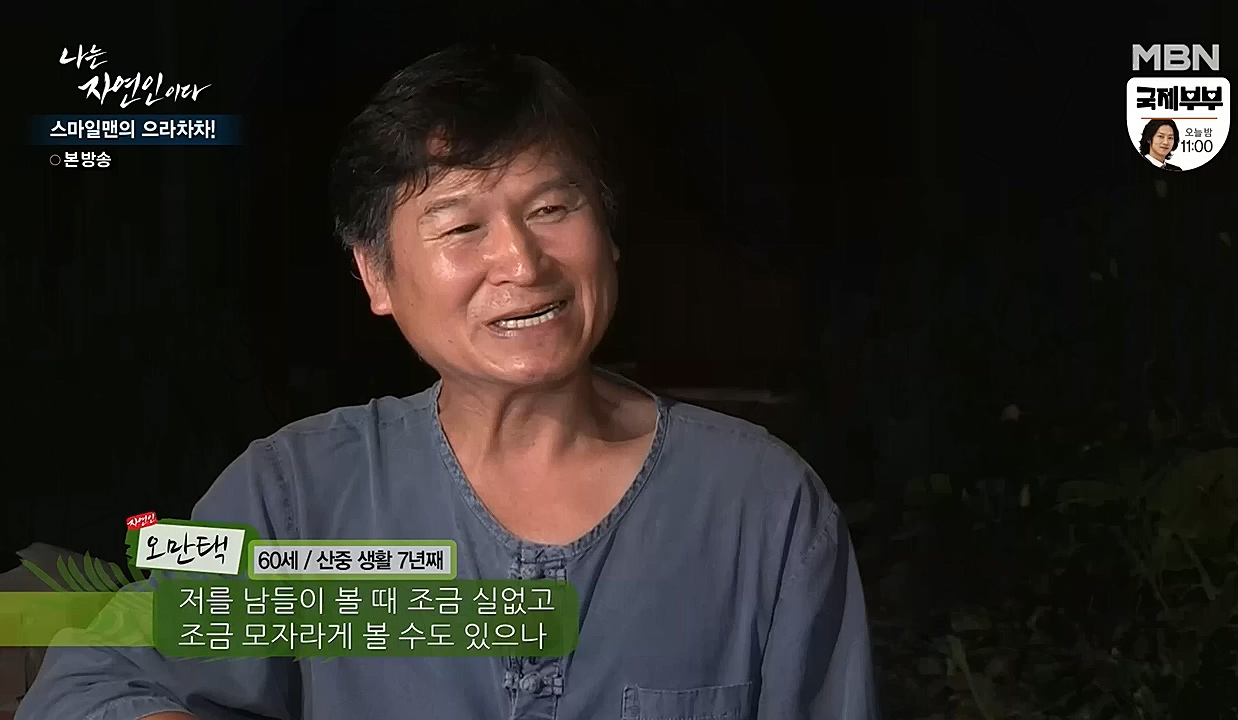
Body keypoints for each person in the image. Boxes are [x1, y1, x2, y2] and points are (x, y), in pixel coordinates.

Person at [17, 44, 878, 720]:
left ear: (609, 233)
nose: (522, 262)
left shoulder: (761, 507)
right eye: (461, 226)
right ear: (376, 276)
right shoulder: (300, 496)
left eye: (552, 208)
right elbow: (91, 687)